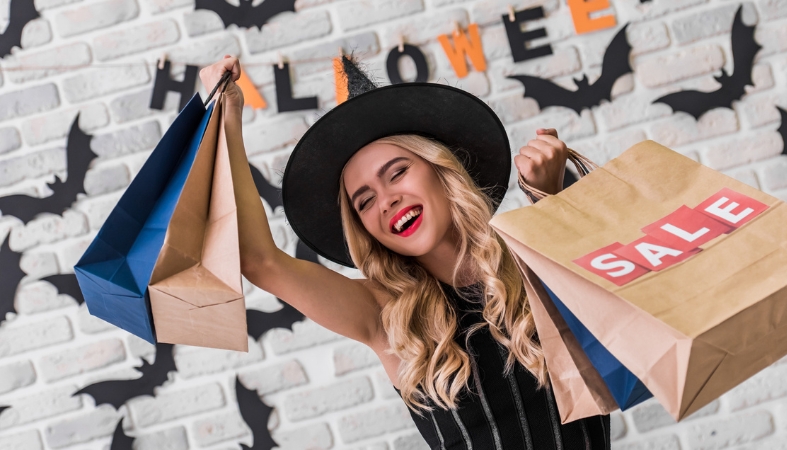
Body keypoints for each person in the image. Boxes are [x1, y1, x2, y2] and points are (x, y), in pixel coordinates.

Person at [199, 54, 611, 449]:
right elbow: (259, 260)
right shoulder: (384, 314)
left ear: (441, 169)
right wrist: (226, 117)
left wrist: (551, 203)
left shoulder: (535, 258)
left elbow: (619, 317)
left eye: (397, 172)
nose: (386, 200)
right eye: (364, 201)